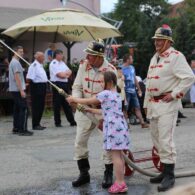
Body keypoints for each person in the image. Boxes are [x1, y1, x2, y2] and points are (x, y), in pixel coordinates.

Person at [144, 24, 195, 192]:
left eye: (160, 40)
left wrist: (174, 94)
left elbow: (188, 78)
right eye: (156, 40)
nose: (156, 43)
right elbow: (149, 81)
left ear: (168, 41)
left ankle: (169, 176)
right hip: (153, 105)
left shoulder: (176, 56)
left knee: (166, 140)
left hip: (167, 105)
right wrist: (145, 104)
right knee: (157, 139)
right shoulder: (155, 57)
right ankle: (164, 172)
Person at [67, 71, 130, 194]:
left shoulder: (105, 93)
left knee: (115, 157)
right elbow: (105, 111)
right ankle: (121, 182)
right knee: (119, 156)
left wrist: (73, 98)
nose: (100, 83)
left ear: (109, 82)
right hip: (120, 126)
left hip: (113, 128)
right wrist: (89, 109)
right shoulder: (116, 94)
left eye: (102, 81)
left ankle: (120, 183)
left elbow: (90, 100)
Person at [71, 38, 117, 188]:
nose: (87, 57)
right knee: (80, 142)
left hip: (101, 111)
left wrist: (106, 116)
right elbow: (77, 85)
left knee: (107, 144)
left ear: (99, 56)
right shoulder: (84, 66)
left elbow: (112, 97)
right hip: (84, 110)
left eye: (90, 55)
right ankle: (84, 174)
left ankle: (108, 174)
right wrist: (76, 100)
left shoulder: (110, 70)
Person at [8, 46, 33, 136]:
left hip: (15, 89)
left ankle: (16, 128)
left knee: (17, 109)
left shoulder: (14, 62)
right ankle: (23, 129)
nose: (22, 53)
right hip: (17, 90)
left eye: (22, 52)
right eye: (20, 51)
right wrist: (21, 90)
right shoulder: (15, 63)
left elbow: (18, 78)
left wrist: (22, 84)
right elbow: (17, 77)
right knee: (24, 108)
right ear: (14, 52)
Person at [49, 49, 76, 127]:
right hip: (57, 84)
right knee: (57, 103)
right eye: (61, 54)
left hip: (64, 84)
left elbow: (70, 71)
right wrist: (65, 74)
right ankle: (57, 122)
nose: (62, 56)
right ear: (57, 55)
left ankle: (72, 121)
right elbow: (60, 75)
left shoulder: (62, 63)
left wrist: (65, 74)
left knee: (67, 102)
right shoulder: (53, 63)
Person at [122, 54, 149, 128]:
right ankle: (126, 124)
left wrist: (139, 89)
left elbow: (134, 79)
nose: (133, 60)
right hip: (125, 91)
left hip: (133, 91)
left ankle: (142, 123)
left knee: (137, 107)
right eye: (131, 58)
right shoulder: (121, 69)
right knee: (125, 108)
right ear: (127, 60)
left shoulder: (132, 67)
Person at [26, 52, 47, 130]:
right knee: (36, 106)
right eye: (42, 57)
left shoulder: (40, 65)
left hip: (42, 86)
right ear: (37, 57)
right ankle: (35, 124)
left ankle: (38, 123)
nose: (44, 58)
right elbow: (29, 78)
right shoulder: (33, 66)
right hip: (36, 87)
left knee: (41, 106)